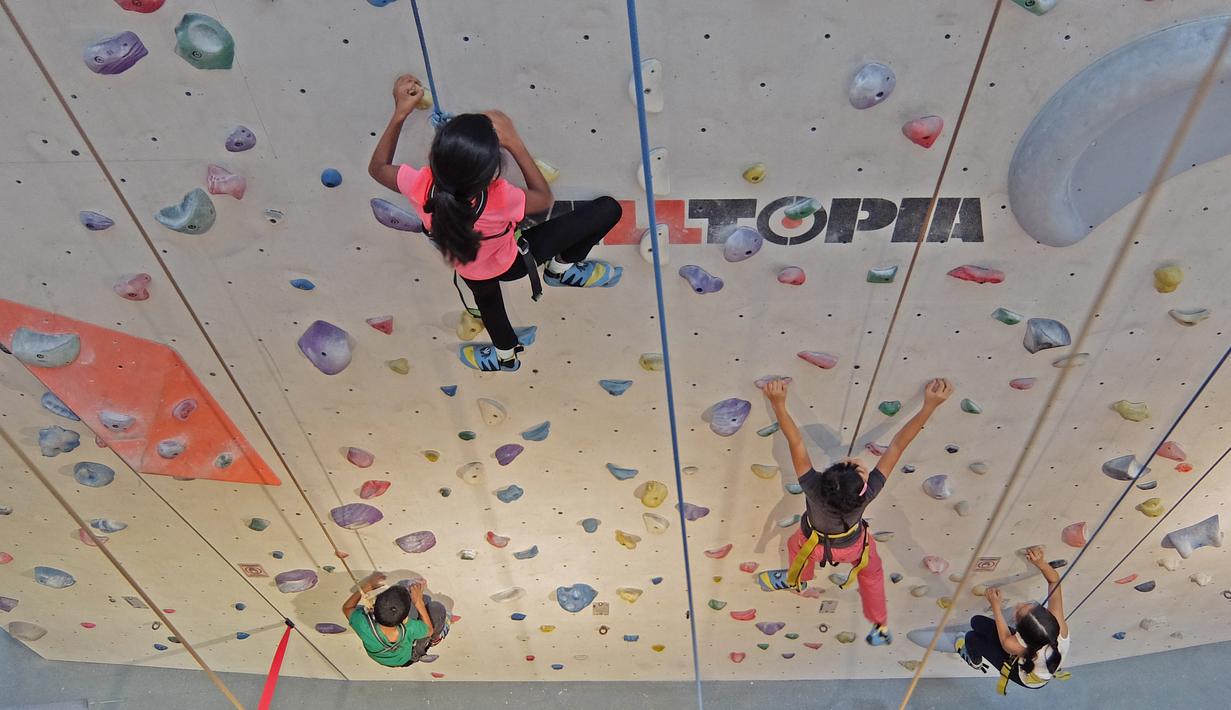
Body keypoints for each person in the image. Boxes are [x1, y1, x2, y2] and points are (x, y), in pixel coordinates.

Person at [368, 74, 623, 372]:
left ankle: (506, 358)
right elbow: (543, 199)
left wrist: (400, 112)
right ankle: (561, 269)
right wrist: (515, 143)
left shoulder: (421, 184)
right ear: (492, 175)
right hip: (510, 262)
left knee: (491, 309)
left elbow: (378, 168)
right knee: (609, 210)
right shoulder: (499, 197)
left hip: (467, 267)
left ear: (433, 158)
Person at [758, 377, 953, 646]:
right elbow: (897, 446)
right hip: (854, 548)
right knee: (871, 574)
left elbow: (796, 443)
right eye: (858, 469)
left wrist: (778, 403)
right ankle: (880, 624)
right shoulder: (868, 492)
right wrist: (929, 406)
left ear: (825, 477)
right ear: (862, 486)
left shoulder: (813, 486)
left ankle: (799, 580)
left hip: (810, 544)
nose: (854, 463)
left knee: (795, 544)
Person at [957, 546, 1069, 693]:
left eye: (1019, 613)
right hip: (1040, 660)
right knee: (976, 622)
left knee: (971, 637)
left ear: (1022, 636)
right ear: (1049, 617)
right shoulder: (1060, 627)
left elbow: (1005, 641)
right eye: (1029, 607)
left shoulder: (1018, 646)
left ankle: (975, 661)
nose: (1019, 604)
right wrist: (1041, 562)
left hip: (1026, 676)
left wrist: (996, 606)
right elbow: (1054, 582)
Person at [342, 572, 448, 667]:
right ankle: (432, 641)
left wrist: (366, 587)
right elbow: (429, 630)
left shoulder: (363, 624)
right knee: (436, 609)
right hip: (408, 658)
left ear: (373, 608)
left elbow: (347, 608)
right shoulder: (410, 628)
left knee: (358, 611)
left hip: (382, 658)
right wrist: (419, 602)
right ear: (405, 619)